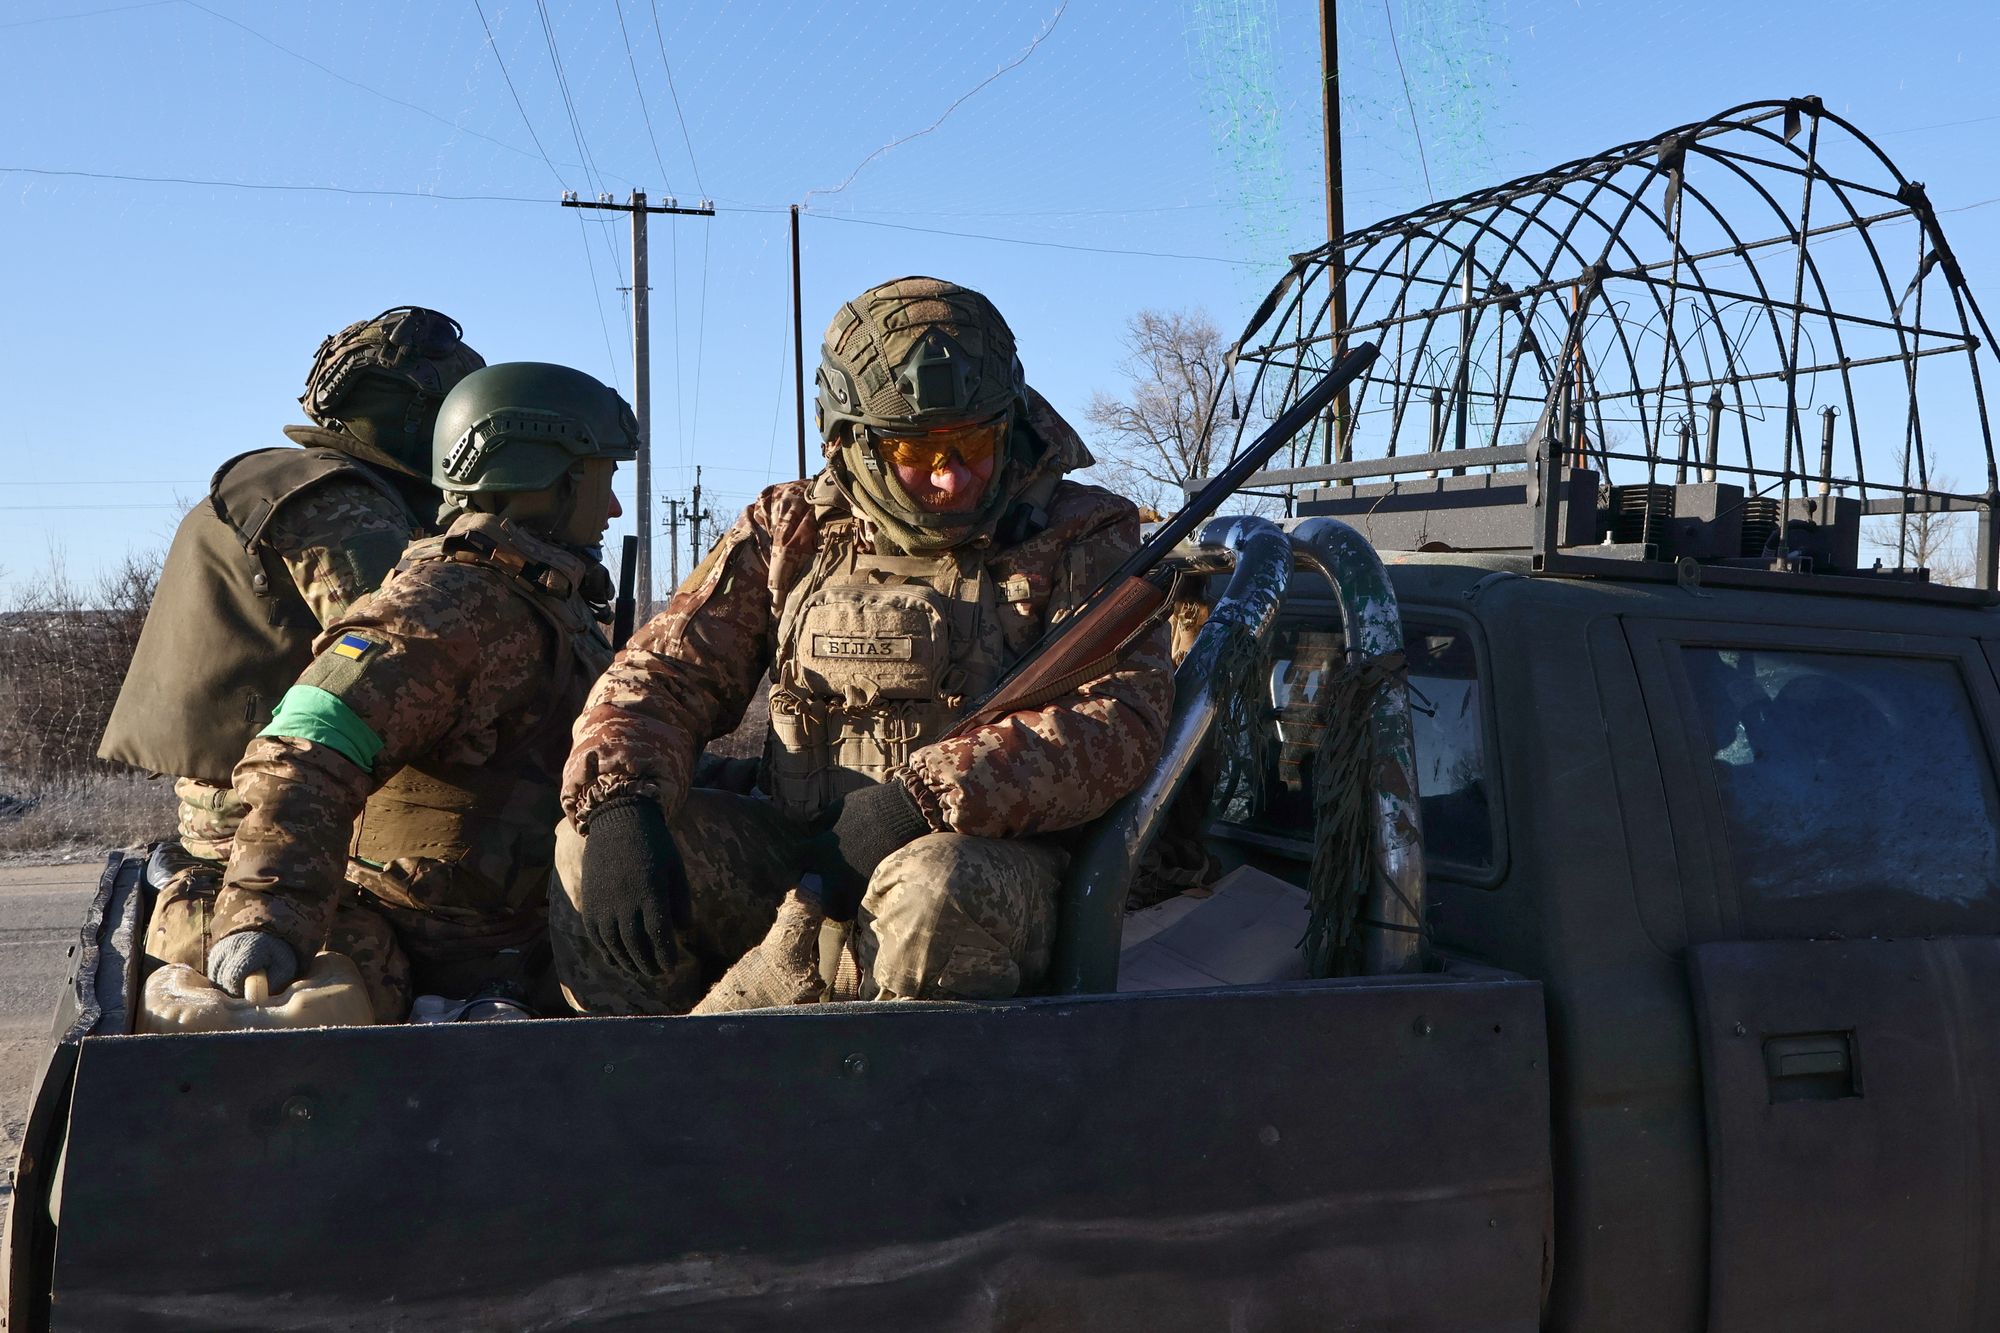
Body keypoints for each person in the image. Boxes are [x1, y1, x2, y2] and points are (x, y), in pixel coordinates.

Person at [555, 275, 1175, 1014]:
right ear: (851, 439)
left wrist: (916, 801)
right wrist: (623, 799)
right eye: (918, 450)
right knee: (587, 846)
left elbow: (1117, 721)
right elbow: (662, 674)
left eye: (975, 441)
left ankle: (882, 1118)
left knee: (932, 891)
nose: (952, 475)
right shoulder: (792, 525)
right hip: (804, 859)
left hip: (990, 865)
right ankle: (652, 1094)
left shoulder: (1083, 531)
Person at [199, 362, 635, 1020]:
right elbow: (308, 740)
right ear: (544, 480)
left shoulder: (537, 596)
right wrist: (268, 911)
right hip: (456, 948)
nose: (613, 507)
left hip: (529, 923)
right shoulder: (449, 605)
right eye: (603, 479)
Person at [99, 307, 483, 981]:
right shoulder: (341, 504)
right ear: (420, 417)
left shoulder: (286, 484)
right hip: (276, 826)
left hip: (238, 812)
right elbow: (405, 664)